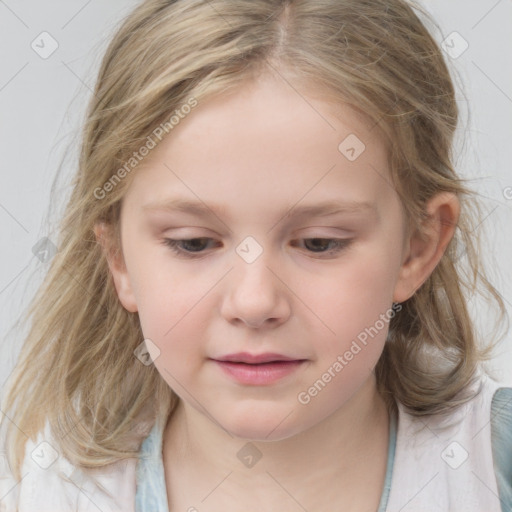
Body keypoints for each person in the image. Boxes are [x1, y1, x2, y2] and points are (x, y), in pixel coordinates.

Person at [1, 0, 511, 511]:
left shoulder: (492, 466)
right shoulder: (50, 489)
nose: (254, 301)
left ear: (417, 248)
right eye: (193, 243)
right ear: (118, 258)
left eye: (319, 243)